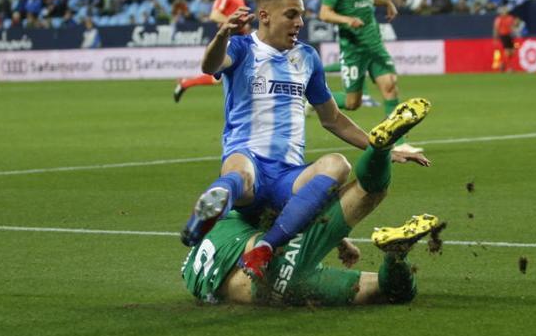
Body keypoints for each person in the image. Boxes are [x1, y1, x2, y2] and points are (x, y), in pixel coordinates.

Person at [182, 0, 431, 282]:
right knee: (240, 173)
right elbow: (210, 66)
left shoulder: (307, 57)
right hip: (250, 164)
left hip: (289, 177)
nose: (299, 22)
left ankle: (263, 248)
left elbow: (333, 119)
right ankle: (207, 211)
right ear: (264, 16)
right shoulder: (242, 48)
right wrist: (222, 34)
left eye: (300, 14)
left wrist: (384, 149)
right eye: (291, 14)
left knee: (337, 164)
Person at [181, 117, 441, 306]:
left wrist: (339, 240)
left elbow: (283, 216)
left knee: (382, 291)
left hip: (275, 289)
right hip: (266, 269)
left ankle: (396, 256)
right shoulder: (234, 222)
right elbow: (285, 217)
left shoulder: (194, 269)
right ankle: (379, 151)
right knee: (367, 192)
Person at [319, 0, 422, 154]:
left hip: (374, 44)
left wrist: (386, 2)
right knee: (352, 103)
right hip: (353, 49)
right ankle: (316, 100)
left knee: (391, 86)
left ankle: (399, 143)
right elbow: (324, 13)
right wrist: (347, 20)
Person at [174, 0, 250, 102]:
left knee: (229, 77)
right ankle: (185, 83)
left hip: (240, 39)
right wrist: (232, 23)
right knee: (223, 77)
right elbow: (214, 14)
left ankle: (185, 83)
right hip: (229, 39)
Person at [491, 5, 522, 72]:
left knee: (513, 52)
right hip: (504, 36)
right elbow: (496, 29)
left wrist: (517, 23)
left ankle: (503, 64)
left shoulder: (510, 18)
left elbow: (514, 26)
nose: (504, 12)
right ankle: (509, 67)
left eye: (505, 10)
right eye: (503, 11)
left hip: (510, 36)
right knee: (507, 51)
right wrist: (495, 38)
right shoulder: (499, 19)